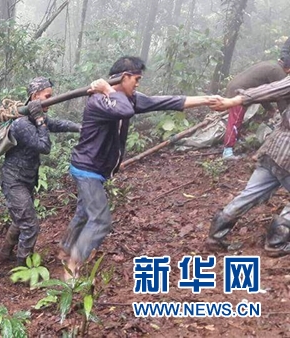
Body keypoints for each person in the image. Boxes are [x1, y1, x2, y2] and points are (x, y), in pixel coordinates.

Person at [60, 56, 220, 279]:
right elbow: (123, 111)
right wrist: (109, 89)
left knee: (84, 211)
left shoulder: (126, 98)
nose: (137, 84)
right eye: (136, 79)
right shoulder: (99, 101)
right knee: (100, 220)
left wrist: (206, 100)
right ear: (124, 77)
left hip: (96, 169)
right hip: (87, 169)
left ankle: (65, 249)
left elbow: (166, 101)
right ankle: (72, 267)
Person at [0, 77, 81, 266]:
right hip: (14, 181)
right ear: (35, 96)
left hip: (26, 180)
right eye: (47, 96)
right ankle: (23, 269)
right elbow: (44, 146)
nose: (51, 100)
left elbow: (58, 124)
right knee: (30, 226)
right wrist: (41, 120)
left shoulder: (34, 119)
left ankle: (3, 255)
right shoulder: (22, 124)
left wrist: (81, 128)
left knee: (21, 220)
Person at [208, 75, 290, 256]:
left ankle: (216, 236)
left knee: (250, 193)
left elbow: (273, 88)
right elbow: (272, 88)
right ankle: (277, 242)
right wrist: (235, 100)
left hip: (274, 150)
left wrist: (236, 100)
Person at [220, 57, 290, 159]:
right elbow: (280, 96)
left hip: (238, 88)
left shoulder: (271, 65)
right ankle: (227, 151)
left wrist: (270, 110)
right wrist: (284, 114)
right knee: (235, 121)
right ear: (288, 69)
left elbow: (264, 93)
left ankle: (235, 142)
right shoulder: (279, 72)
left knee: (237, 119)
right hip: (239, 92)